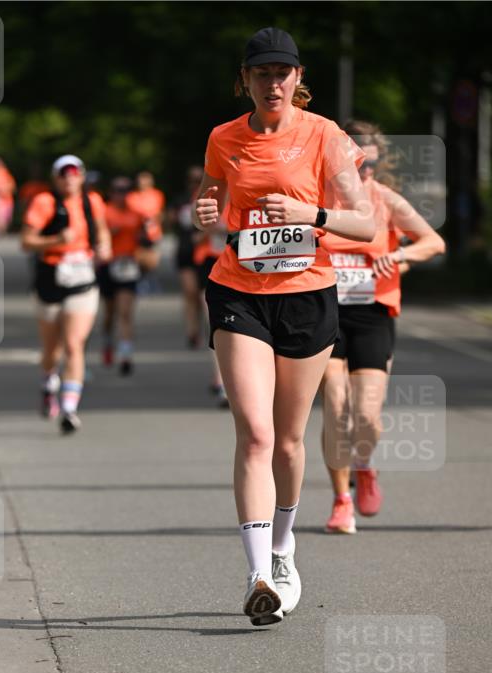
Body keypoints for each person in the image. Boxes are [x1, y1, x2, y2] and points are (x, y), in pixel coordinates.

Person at [194, 26, 375, 626]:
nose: (273, 83)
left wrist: (310, 213)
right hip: (238, 291)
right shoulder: (224, 137)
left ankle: (281, 546)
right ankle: (257, 576)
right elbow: (211, 203)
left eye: (282, 73)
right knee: (255, 434)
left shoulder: (324, 135)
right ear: (244, 80)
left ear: (298, 79)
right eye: (262, 73)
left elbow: (365, 224)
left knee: (290, 441)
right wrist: (202, 211)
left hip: (306, 296)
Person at [319, 121, 446, 533]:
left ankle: (364, 462)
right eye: (358, 165)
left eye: (371, 165)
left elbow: (434, 242)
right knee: (336, 406)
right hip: (324, 312)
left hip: (372, 314)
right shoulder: (318, 198)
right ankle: (341, 500)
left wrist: (401, 257)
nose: (365, 173)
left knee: (367, 418)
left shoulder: (385, 199)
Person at [21, 155, 111, 433]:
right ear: (55, 178)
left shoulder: (92, 201)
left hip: (82, 279)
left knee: (74, 344)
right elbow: (26, 241)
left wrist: (104, 246)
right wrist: (56, 240)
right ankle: (49, 381)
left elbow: (102, 231)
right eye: (63, 174)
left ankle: (69, 409)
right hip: (50, 278)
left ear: (82, 177)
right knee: (52, 350)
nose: (69, 179)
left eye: (74, 174)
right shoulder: (44, 202)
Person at [98, 177, 145, 374]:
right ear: (111, 193)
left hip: (128, 266)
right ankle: (108, 342)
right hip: (108, 265)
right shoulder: (104, 212)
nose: (122, 194)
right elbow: (95, 236)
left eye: (126, 190)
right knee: (110, 313)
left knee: (125, 312)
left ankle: (125, 354)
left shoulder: (136, 214)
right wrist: (110, 233)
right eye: (118, 190)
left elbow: (146, 238)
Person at [192, 210, 230, 407]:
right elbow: (194, 239)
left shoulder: (250, 198)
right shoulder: (208, 200)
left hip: (239, 263)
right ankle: (221, 381)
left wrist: (230, 230)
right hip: (209, 262)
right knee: (215, 323)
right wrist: (211, 231)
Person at [169, 165, 205, 348]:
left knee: (202, 296)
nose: (195, 184)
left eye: (199, 180)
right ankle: (192, 331)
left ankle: (205, 327)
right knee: (190, 292)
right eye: (192, 181)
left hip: (205, 252)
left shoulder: (211, 198)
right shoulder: (181, 200)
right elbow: (170, 221)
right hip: (185, 250)